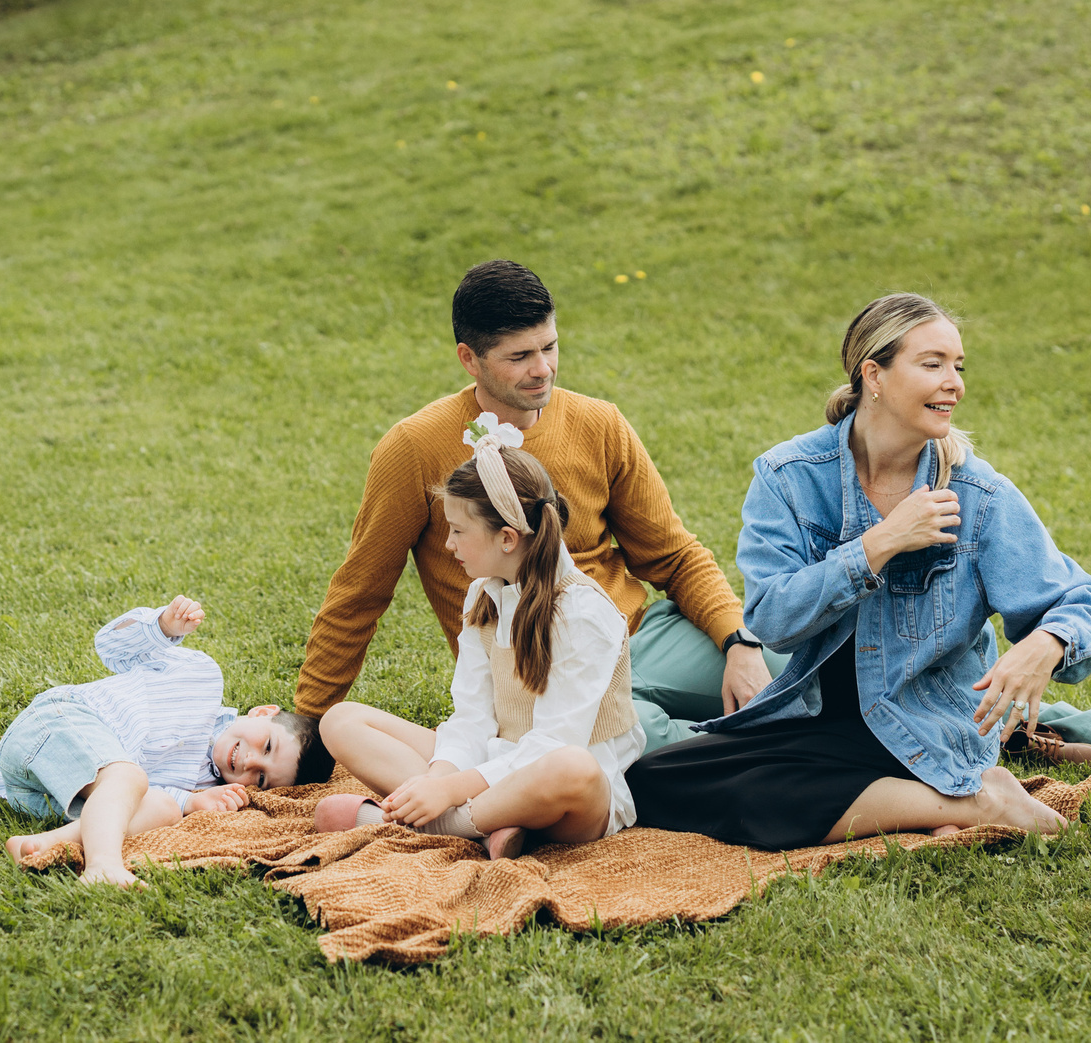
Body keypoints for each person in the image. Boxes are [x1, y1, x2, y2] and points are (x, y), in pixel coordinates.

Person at [628, 293, 1091, 849]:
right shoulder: (788, 476)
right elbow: (772, 621)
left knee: (763, 797)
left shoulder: (978, 495)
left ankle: (957, 795)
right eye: (932, 364)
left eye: (958, 366)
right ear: (873, 374)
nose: (954, 382)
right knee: (653, 778)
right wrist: (877, 545)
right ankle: (964, 803)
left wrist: (1047, 642)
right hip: (815, 717)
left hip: (925, 724)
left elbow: (1086, 599)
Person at [296, 259, 773, 749]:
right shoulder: (414, 447)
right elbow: (361, 591)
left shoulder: (600, 422)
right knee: (634, 739)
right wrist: (306, 722)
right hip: (537, 676)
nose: (542, 368)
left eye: (549, 346)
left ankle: (756, 737)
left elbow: (673, 556)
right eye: (520, 355)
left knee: (793, 671)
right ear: (469, 358)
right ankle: (743, 752)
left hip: (639, 639)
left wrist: (739, 642)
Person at [312, 432, 642, 858]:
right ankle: (487, 826)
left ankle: (438, 824)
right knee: (340, 720)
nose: (448, 544)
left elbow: (555, 743)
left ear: (507, 538)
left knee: (571, 766)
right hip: (492, 758)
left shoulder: (583, 614)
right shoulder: (483, 595)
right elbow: (471, 717)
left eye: (457, 530)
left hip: (564, 787)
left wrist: (448, 791)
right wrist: (438, 779)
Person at [0, 595, 333, 886]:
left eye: (261, 778)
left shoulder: (203, 784)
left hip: (47, 793)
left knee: (161, 807)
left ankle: (45, 843)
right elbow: (110, 646)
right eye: (268, 746)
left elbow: (138, 797)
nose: (250, 762)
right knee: (129, 778)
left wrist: (188, 803)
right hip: (58, 724)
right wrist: (163, 627)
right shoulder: (201, 678)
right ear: (262, 712)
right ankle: (103, 865)